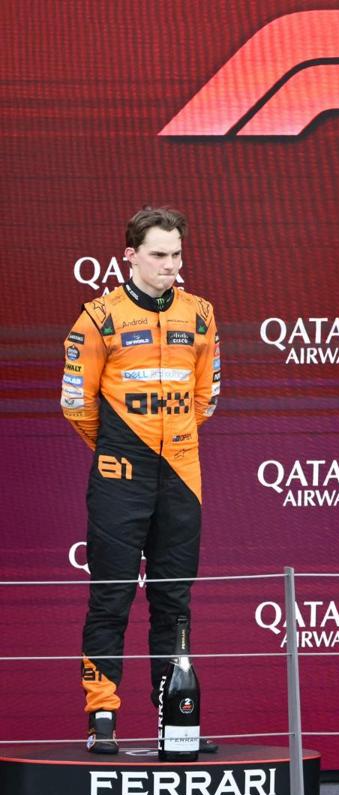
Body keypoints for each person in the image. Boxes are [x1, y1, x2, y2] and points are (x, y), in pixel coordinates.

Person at [61, 207, 220, 752]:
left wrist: (169, 443)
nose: (169, 266)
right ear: (130, 255)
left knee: (174, 602)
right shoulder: (98, 318)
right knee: (110, 597)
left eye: (176, 255)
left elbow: (205, 399)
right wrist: (122, 447)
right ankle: (101, 717)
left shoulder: (201, 315)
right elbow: (77, 405)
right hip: (119, 475)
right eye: (158, 255)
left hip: (181, 472)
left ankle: (174, 722)